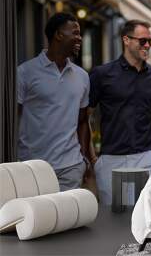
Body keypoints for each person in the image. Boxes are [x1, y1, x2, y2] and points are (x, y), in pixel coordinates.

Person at [88, 20, 151, 205]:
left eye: (150, 41)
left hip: (145, 157)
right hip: (110, 159)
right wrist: (92, 157)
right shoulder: (102, 74)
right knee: (112, 218)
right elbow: (85, 115)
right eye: (142, 41)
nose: (147, 45)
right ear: (126, 40)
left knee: (144, 213)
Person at [17, 12, 92, 191]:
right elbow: (11, 119)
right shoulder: (25, 73)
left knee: (68, 219)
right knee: (37, 218)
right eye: (75, 33)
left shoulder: (82, 76)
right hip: (32, 167)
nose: (79, 38)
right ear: (58, 35)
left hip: (70, 167)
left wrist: (83, 158)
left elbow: (83, 120)